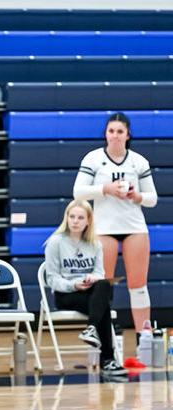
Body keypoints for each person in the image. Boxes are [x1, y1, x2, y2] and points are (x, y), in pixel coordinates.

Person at [73, 112, 158, 335]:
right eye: (111, 131)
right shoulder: (93, 159)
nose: (115, 136)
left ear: (128, 135)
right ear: (106, 134)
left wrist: (136, 196)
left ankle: (145, 339)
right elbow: (78, 193)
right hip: (104, 229)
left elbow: (153, 199)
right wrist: (106, 189)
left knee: (138, 286)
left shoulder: (138, 161)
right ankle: (106, 338)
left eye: (120, 131)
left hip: (134, 227)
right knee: (103, 286)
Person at [44, 200, 127, 377]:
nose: (75, 221)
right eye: (71, 216)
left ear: (88, 220)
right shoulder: (55, 242)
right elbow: (52, 279)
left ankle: (91, 329)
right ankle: (108, 360)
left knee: (104, 285)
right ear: (66, 218)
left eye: (80, 217)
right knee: (103, 305)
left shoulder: (95, 244)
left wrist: (92, 278)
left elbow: (100, 273)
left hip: (89, 293)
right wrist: (74, 284)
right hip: (66, 294)